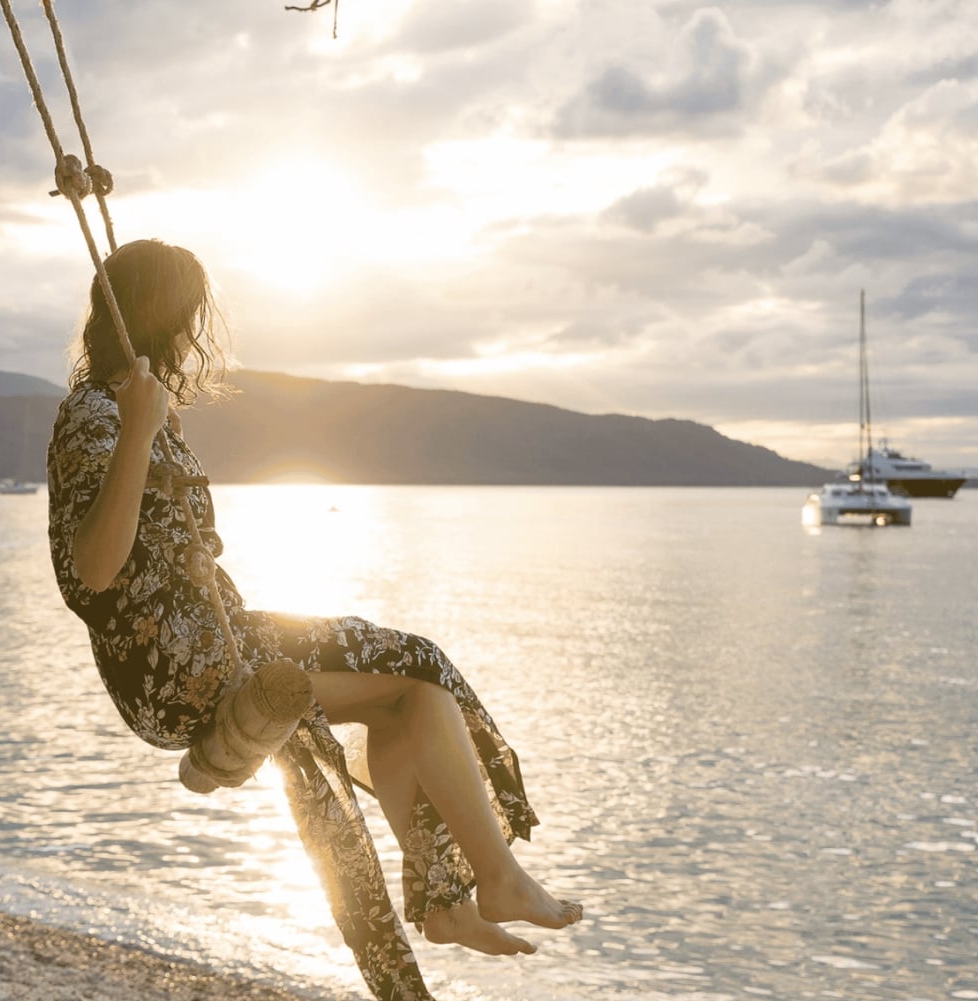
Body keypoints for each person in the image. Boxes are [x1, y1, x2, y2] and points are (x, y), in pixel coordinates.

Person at [47, 239, 579, 1001]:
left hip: (213, 634)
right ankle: (479, 886)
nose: (195, 335)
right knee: (411, 678)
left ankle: (462, 895)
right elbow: (92, 575)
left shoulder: (138, 403)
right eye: (190, 316)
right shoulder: (99, 413)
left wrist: (146, 421)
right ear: (164, 317)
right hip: (178, 669)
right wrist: (137, 428)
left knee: (417, 680)